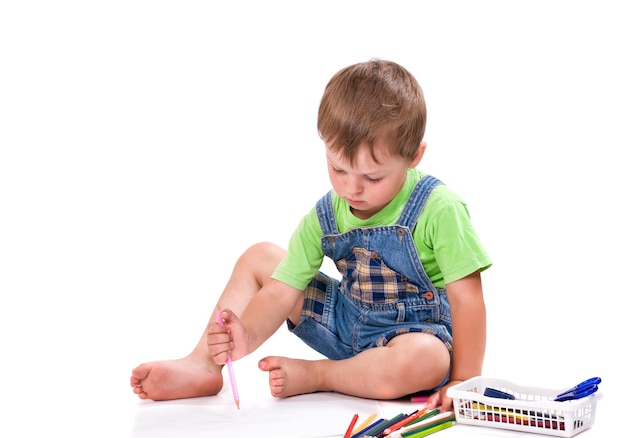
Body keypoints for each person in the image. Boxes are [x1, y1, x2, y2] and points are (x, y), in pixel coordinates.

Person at [130, 59, 492, 412]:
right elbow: (281, 290)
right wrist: (248, 334)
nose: (352, 188)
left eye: (373, 177)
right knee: (260, 257)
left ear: (414, 156)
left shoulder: (438, 208)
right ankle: (204, 364)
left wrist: (464, 380)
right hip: (345, 323)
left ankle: (321, 375)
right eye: (338, 168)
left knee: (426, 358)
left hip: (413, 339)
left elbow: (467, 300)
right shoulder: (324, 214)